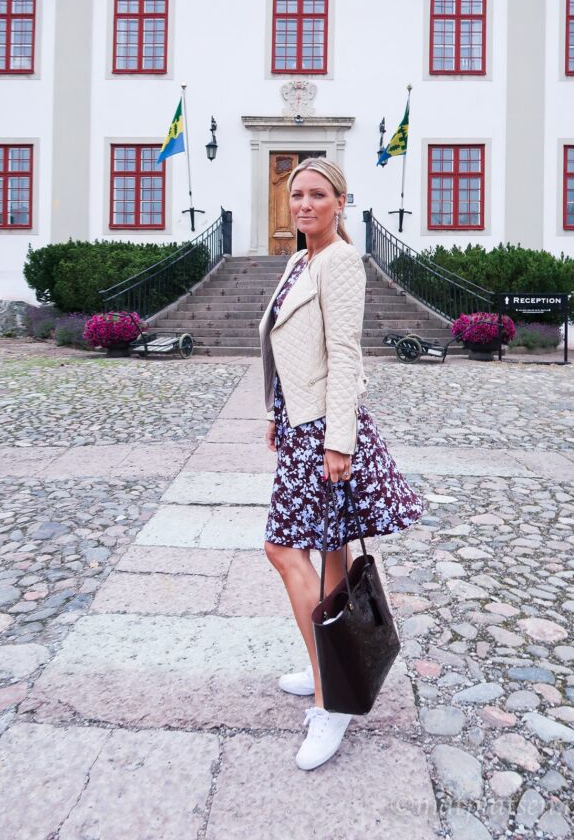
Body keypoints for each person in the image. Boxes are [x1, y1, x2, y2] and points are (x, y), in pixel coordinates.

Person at [258, 157, 424, 771]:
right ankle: (331, 659)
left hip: (325, 434)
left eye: (318, 195)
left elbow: (345, 355)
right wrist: (275, 411)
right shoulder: (299, 261)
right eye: (297, 194)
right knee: (331, 552)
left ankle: (333, 699)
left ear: (339, 203)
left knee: (282, 550)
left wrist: (339, 442)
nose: (304, 204)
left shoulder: (341, 261)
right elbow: (290, 349)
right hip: (299, 423)